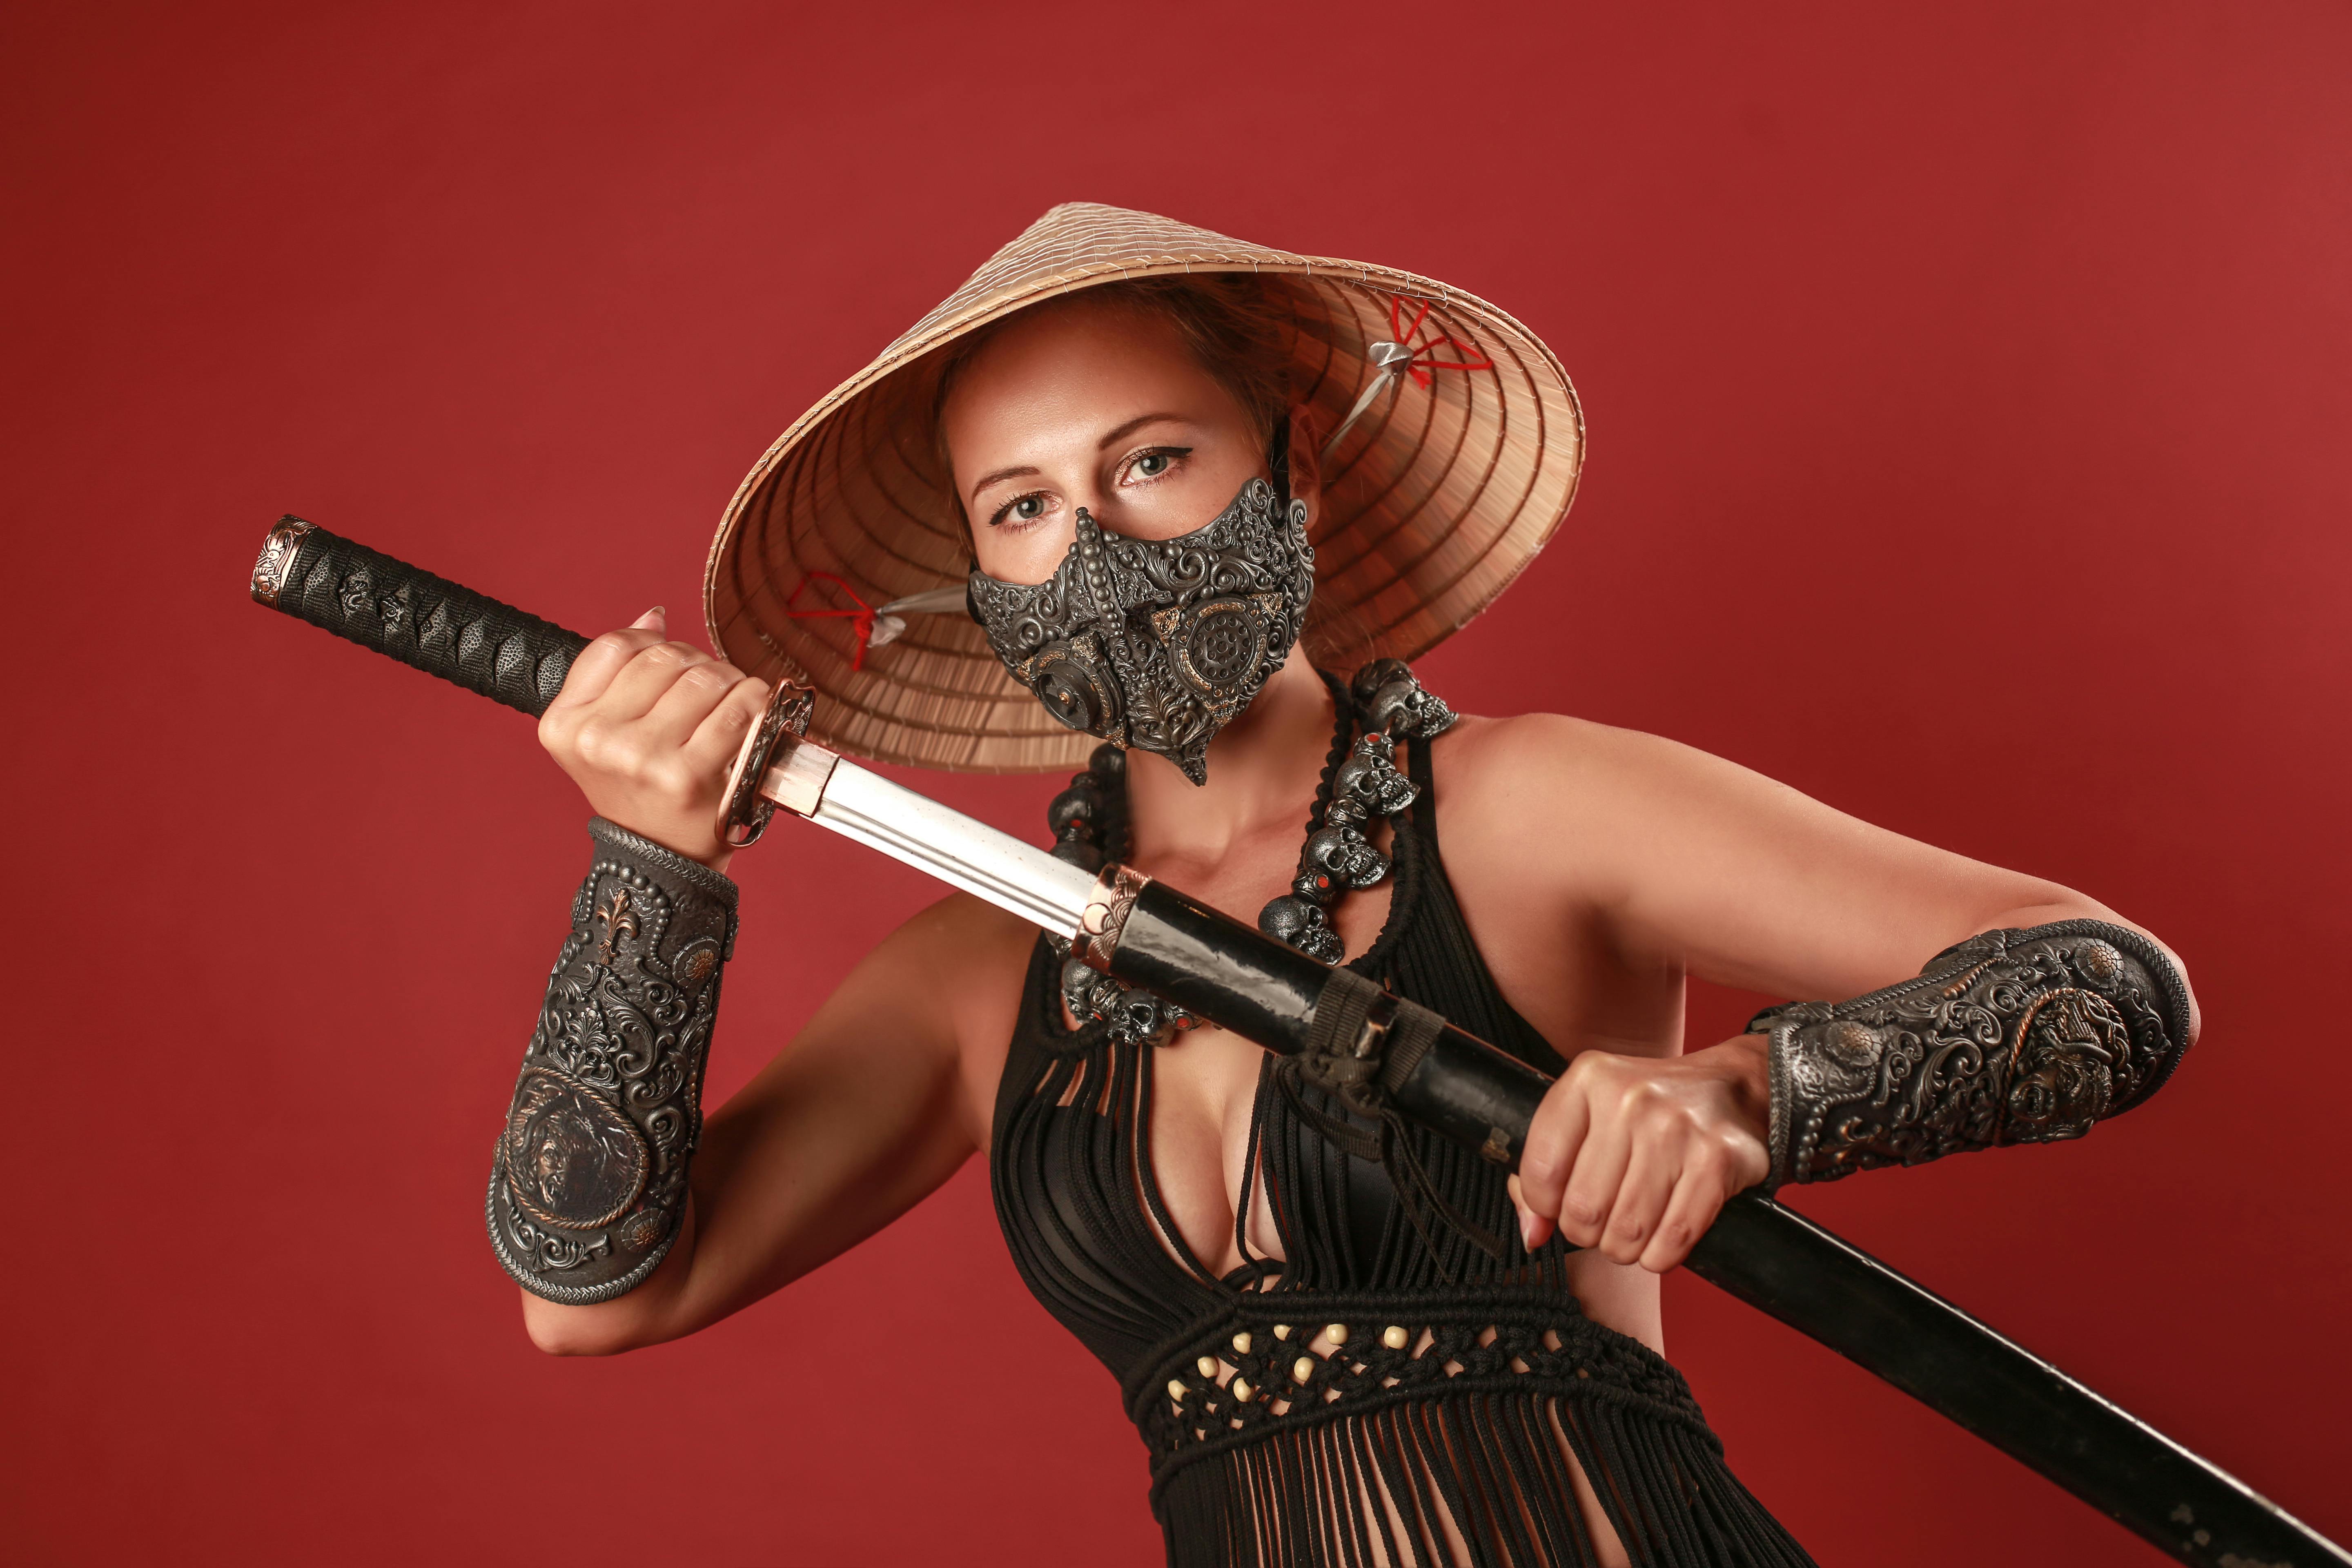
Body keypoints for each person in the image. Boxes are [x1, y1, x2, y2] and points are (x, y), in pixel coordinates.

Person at [486, 205, 2195, 1567]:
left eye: (1152, 462)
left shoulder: (1529, 811)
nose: (1095, 547)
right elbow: (600, 1294)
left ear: (1290, 465)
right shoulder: (974, 970)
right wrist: (651, 868)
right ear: (976, 581)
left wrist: (1742, 1098)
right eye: (1020, 508)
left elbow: (2106, 984)